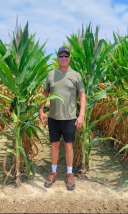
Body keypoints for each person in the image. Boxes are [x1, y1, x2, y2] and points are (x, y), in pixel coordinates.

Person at [39, 46, 86, 190]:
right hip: (53, 116)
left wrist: (82, 114)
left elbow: (82, 95)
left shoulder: (76, 75)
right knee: (54, 144)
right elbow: (45, 93)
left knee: (68, 145)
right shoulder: (51, 75)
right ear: (58, 58)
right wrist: (40, 109)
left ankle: (69, 174)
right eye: (61, 56)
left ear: (69, 58)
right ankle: (53, 172)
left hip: (70, 117)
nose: (64, 58)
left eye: (66, 56)